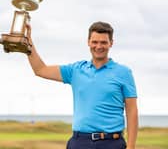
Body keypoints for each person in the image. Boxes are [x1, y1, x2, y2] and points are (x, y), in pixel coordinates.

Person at [27, 21, 138, 149]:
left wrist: (131, 147)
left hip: (111, 142)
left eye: (103, 42)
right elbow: (40, 70)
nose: (99, 46)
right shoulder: (75, 70)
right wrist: (28, 42)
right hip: (79, 142)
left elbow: (132, 111)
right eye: (95, 42)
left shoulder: (124, 73)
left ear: (111, 43)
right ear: (88, 42)